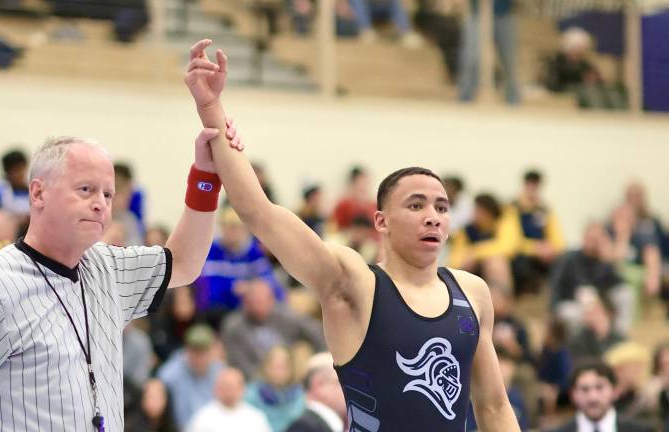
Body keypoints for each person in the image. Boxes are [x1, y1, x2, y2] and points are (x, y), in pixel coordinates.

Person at [184, 39, 519, 430]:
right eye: (416, 206)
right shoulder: (355, 283)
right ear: (381, 222)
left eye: (442, 208)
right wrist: (211, 108)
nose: (433, 217)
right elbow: (259, 213)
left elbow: (494, 407)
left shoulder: (473, 293)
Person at [0, 126, 243, 431]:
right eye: (86, 189)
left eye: (108, 194)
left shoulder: (108, 268)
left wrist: (205, 176)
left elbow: (184, 262)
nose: (100, 204)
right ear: (38, 193)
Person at [550, 361, 652, 432]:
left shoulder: (642, 430)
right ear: (572, 395)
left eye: (600, 388)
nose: (592, 397)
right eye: (584, 389)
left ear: (615, 391)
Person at [187, 367, 272, 432]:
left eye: (232, 387)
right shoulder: (202, 418)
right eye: (225, 387)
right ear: (216, 389)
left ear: (242, 389)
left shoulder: (256, 418)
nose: (229, 392)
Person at [285, 352, 346, 432]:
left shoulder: (310, 424)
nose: (346, 390)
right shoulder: (304, 427)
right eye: (341, 382)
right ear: (319, 385)